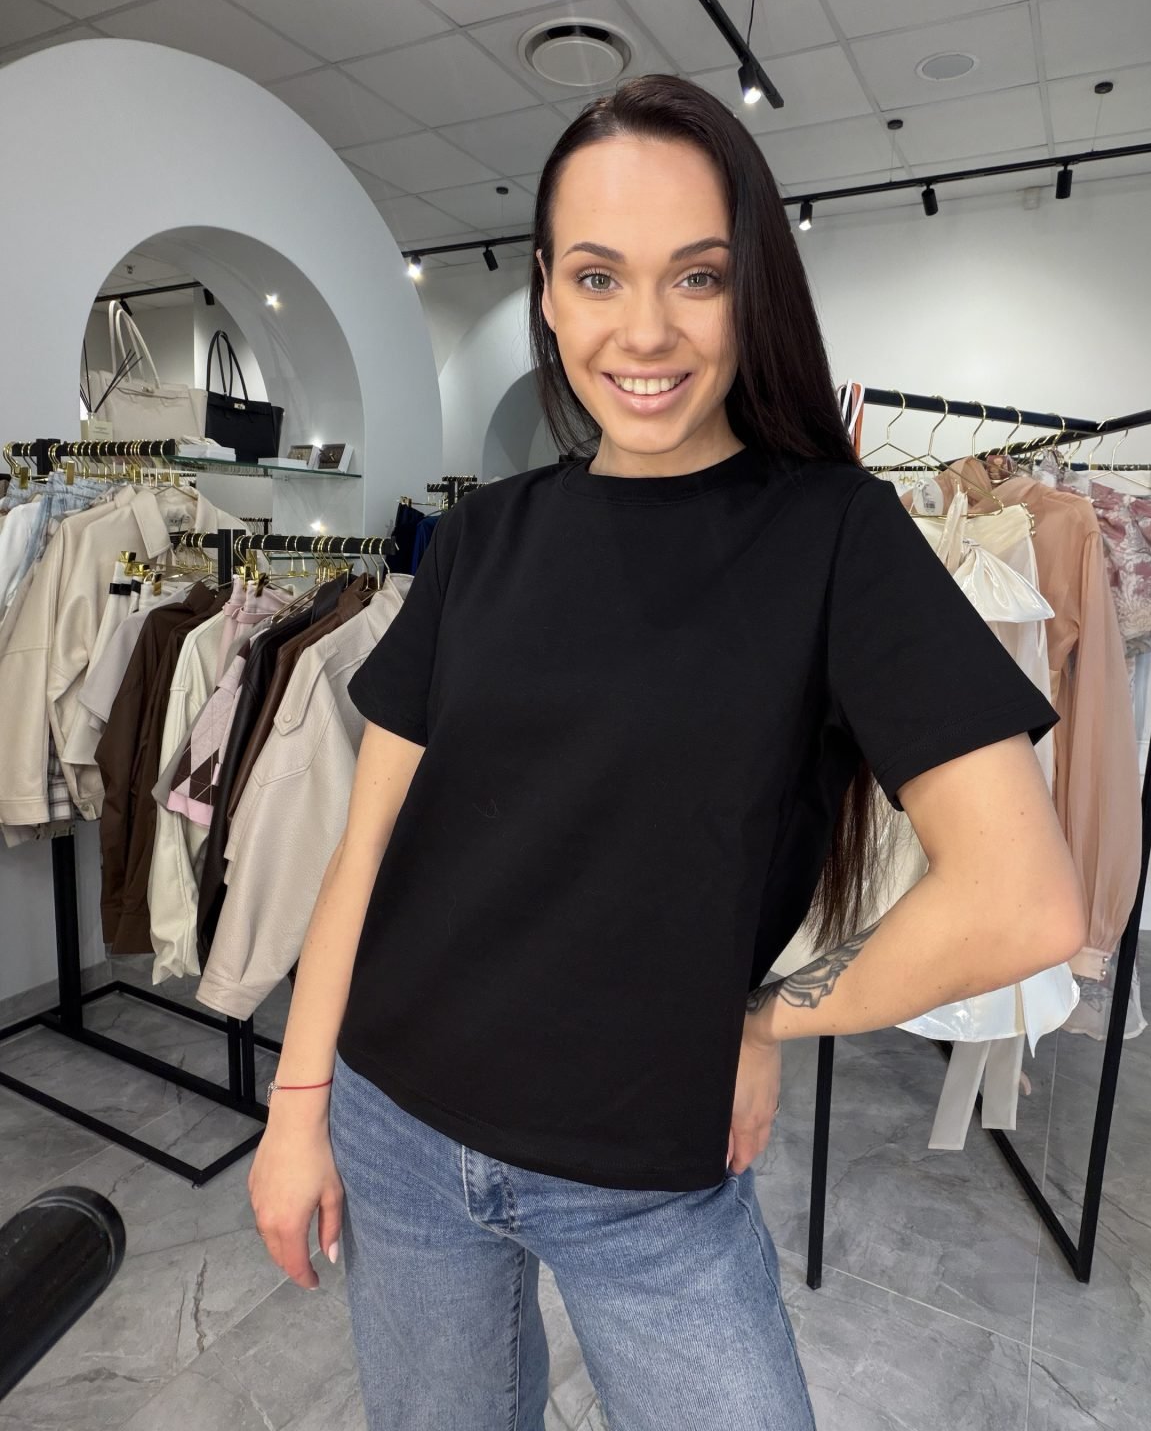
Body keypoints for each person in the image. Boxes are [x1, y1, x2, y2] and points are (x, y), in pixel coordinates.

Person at [248, 74, 1085, 1431]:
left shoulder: (835, 536)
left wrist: (764, 1018)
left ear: (752, 291)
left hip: (642, 1176)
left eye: (698, 276)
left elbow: (1024, 899)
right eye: (598, 276)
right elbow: (367, 853)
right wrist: (298, 1110)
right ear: (546, 291)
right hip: (394, 1122)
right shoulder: (480, 539)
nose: (645, 330)